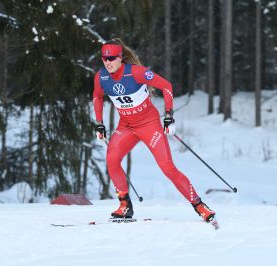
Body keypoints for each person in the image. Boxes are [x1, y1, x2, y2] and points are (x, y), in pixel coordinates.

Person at [92, 38, 216, 223]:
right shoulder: (101, 77)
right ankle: (125, 206)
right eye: (105, 59)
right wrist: (100, 123)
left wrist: (168, 116)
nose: (108, 62)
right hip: (126, 126)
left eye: (112, 58)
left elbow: (166, 86)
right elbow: (97, 97)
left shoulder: (135, 72)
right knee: (112, 160)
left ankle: (199, 206)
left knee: (167, 167)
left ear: (121, 58)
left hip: (149, 125)